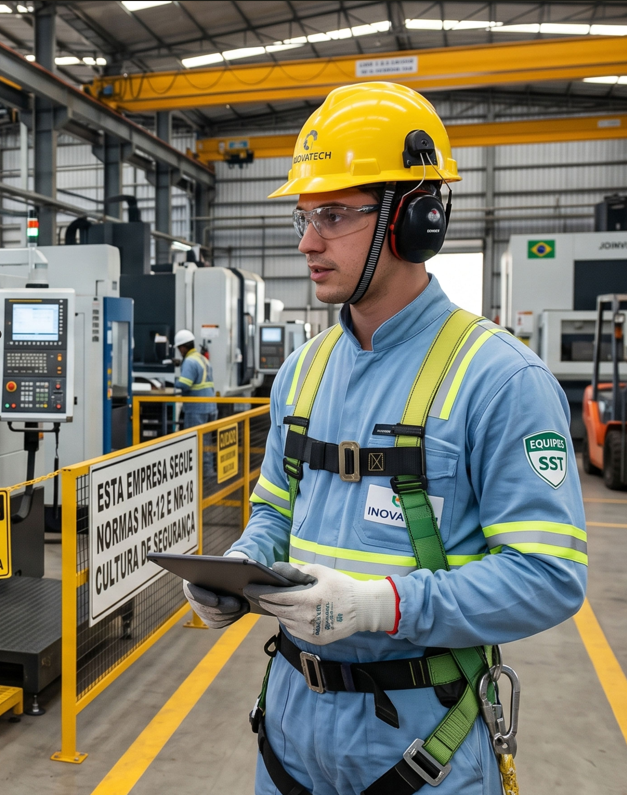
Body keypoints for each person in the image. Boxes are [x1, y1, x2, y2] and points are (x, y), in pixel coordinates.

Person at [183, 82, 586, 795]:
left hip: (422, 748)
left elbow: (549, 575)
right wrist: (240, 567)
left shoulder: (499, 378)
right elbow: (276, 511)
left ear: (415, 218)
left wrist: (384, 605)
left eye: (333, 214)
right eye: (306, 215)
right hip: (289, 735)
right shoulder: (302, 372)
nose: (308, 241)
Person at [175, 329, 216, 472]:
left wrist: (173, 383)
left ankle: (198, 474)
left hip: (196, 408)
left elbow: (185, 384)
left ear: (182, 347)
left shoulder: (189, 361)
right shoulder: (202, 358)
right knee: (206, 441)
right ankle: (208, 471)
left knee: (194, 442)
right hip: (210, 406)